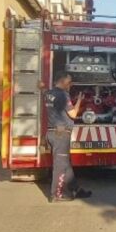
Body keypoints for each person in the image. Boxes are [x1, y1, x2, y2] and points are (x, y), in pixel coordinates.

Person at [44, 72, 92, 202]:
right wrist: (79, 101)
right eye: (69, 82)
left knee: (66, 164)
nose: (71, 85)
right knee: (60, 165)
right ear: (63, 81)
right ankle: (55, 195)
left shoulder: (49, 93)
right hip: (61, 134)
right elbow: (73, 114)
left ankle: (75, 189)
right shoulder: (63, 95)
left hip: (51, 132)